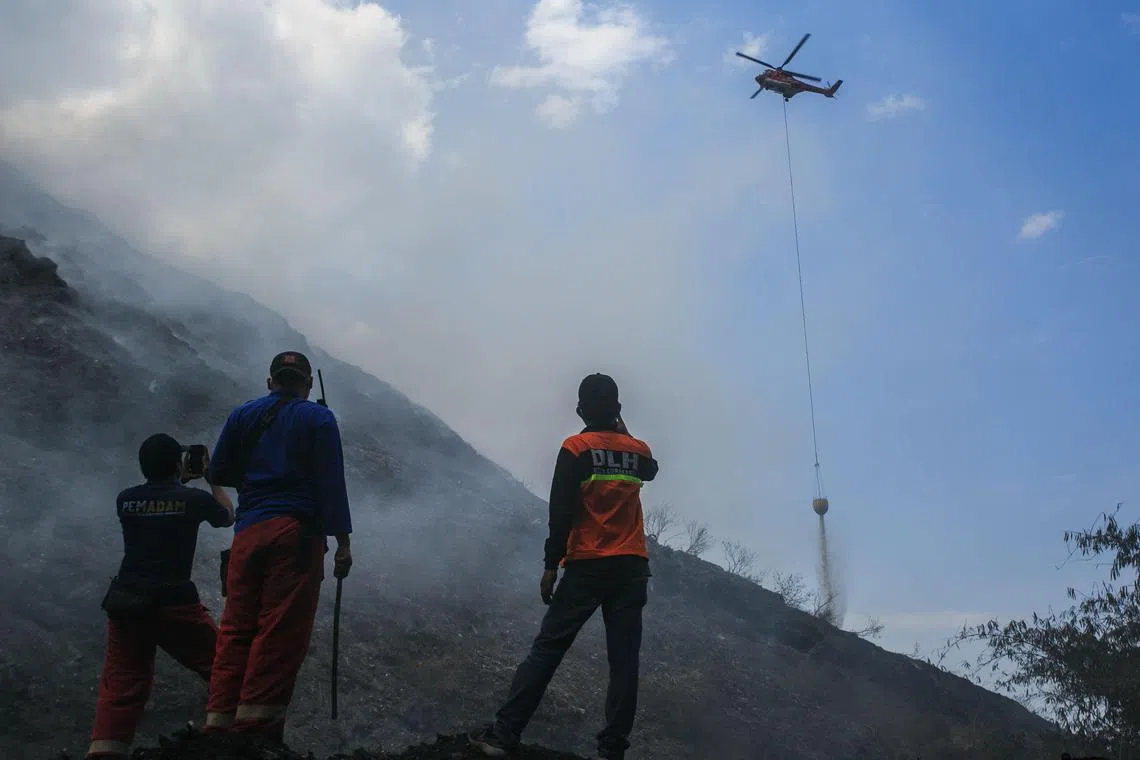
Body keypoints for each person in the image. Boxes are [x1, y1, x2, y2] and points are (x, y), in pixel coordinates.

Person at [469, 373, 659, 760]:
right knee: (623, 662)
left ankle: (504, 735)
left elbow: (561, 511)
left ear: (579, 409)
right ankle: (612, 751)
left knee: (548, 649)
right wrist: (621, 425)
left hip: (588, 565)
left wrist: (551, 564)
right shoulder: (638, 451)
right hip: (631, 568)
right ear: (618, 409)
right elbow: (650, 469)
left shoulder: (576, 449)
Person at [203, 350, 352, 741]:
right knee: (279, 631)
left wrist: (256, 478)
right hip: (294, 534)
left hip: (248, 533)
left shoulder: (242, 415)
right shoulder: (318, 417)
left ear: (271, 381)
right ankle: (255, 731)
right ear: (306, 384)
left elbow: (218, 471)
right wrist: (343, 542)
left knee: (235, 629)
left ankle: (218, 724)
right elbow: (331, 483)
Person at [86, 434, 235, 759]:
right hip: (174, 602)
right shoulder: (193, 499)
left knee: (121, 687)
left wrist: (176, 477)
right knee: (223, 666)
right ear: (177, 464)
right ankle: (226, 742)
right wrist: (212, 480)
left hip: (126, 602)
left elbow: (160, 499)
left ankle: (103, 753)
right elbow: (227, 516)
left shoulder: (125, 500)